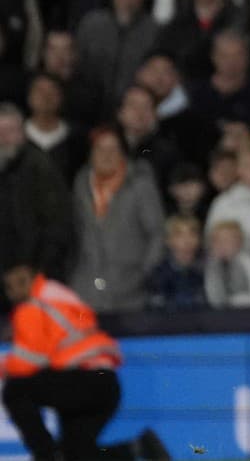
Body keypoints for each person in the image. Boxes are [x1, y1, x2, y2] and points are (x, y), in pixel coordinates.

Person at [2, 263, 169, 461]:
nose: (16, 289)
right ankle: (139, 448)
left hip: (82, 380)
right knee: (77, 455)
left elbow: (29, 361)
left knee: (15, 390)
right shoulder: (58, 295)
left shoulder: (32, 307)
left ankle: (46, 455)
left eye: (20, 281)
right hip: (105, 384)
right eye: (11, 285)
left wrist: (4, 367)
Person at [70, 129, 165, 313]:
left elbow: (157, 233)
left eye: (113, 150)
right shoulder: (80, 184)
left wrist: (143, 273)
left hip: (130, 291)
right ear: (91, 154)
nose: (106, 156)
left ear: (123, 153)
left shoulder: (140, 185)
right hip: (85, 290)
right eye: (100, 149)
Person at [0, 102, 75, 277]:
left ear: (22, 133)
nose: (3, 138)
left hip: (29, 271)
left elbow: (57, 224)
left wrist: (37, 268)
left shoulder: (40, 167)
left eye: (9, 131)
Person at [202, 219, 250, 309]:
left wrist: (232, 302)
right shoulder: (210, 264)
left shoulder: (247, 261)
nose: (222, 245)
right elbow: (214, 298)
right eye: (218, 240)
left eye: (228, 240)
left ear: (239, 242)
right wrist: (215, 264)